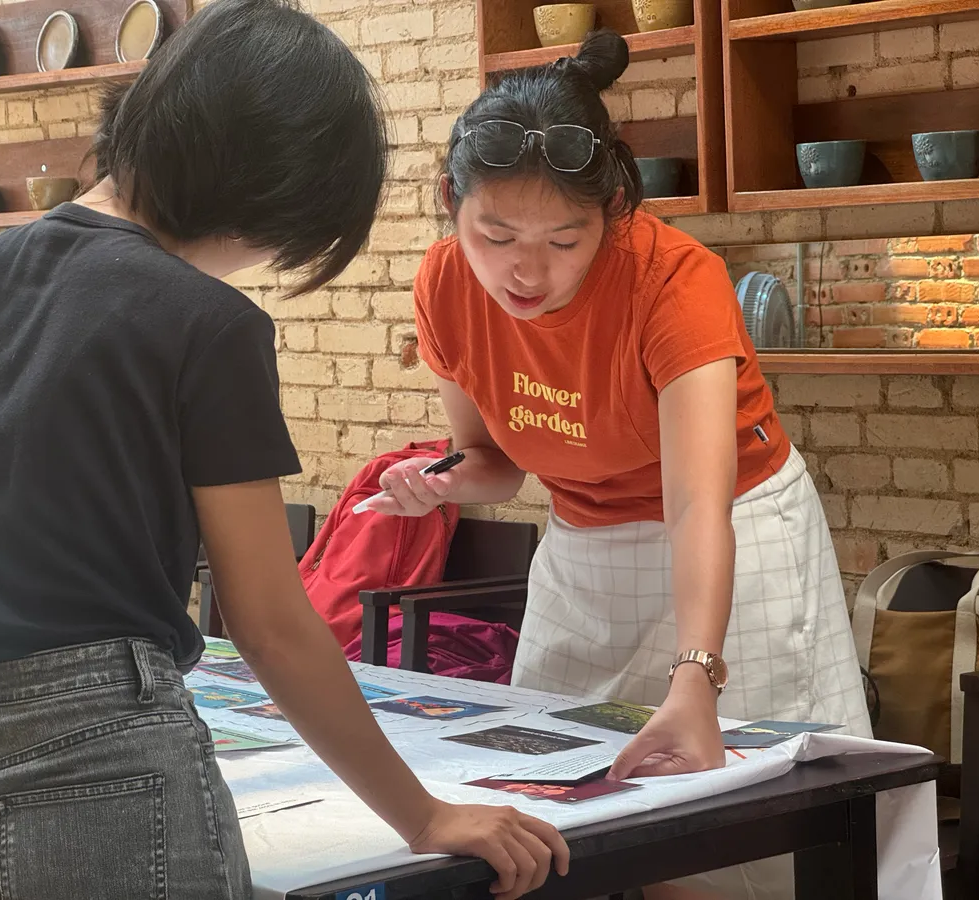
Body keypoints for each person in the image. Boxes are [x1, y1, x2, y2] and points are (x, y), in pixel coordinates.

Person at [0, 2, 569, 898]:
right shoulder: (207, 323)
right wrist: (426, 816)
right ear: (267, 187)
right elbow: (272, 623)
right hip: (106, 764)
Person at [359, 28, 872, 900]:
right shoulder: (443, 283)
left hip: (734, 536)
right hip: (582, 543)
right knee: (545, 803)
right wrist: (434, 489)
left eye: (567, 240)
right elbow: (491, 464)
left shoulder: (674, 280)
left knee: (739, 828)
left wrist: (697, 674)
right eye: (497, 235)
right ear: (452, 204)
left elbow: (696, 508)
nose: (528, 271)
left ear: (614, 213)